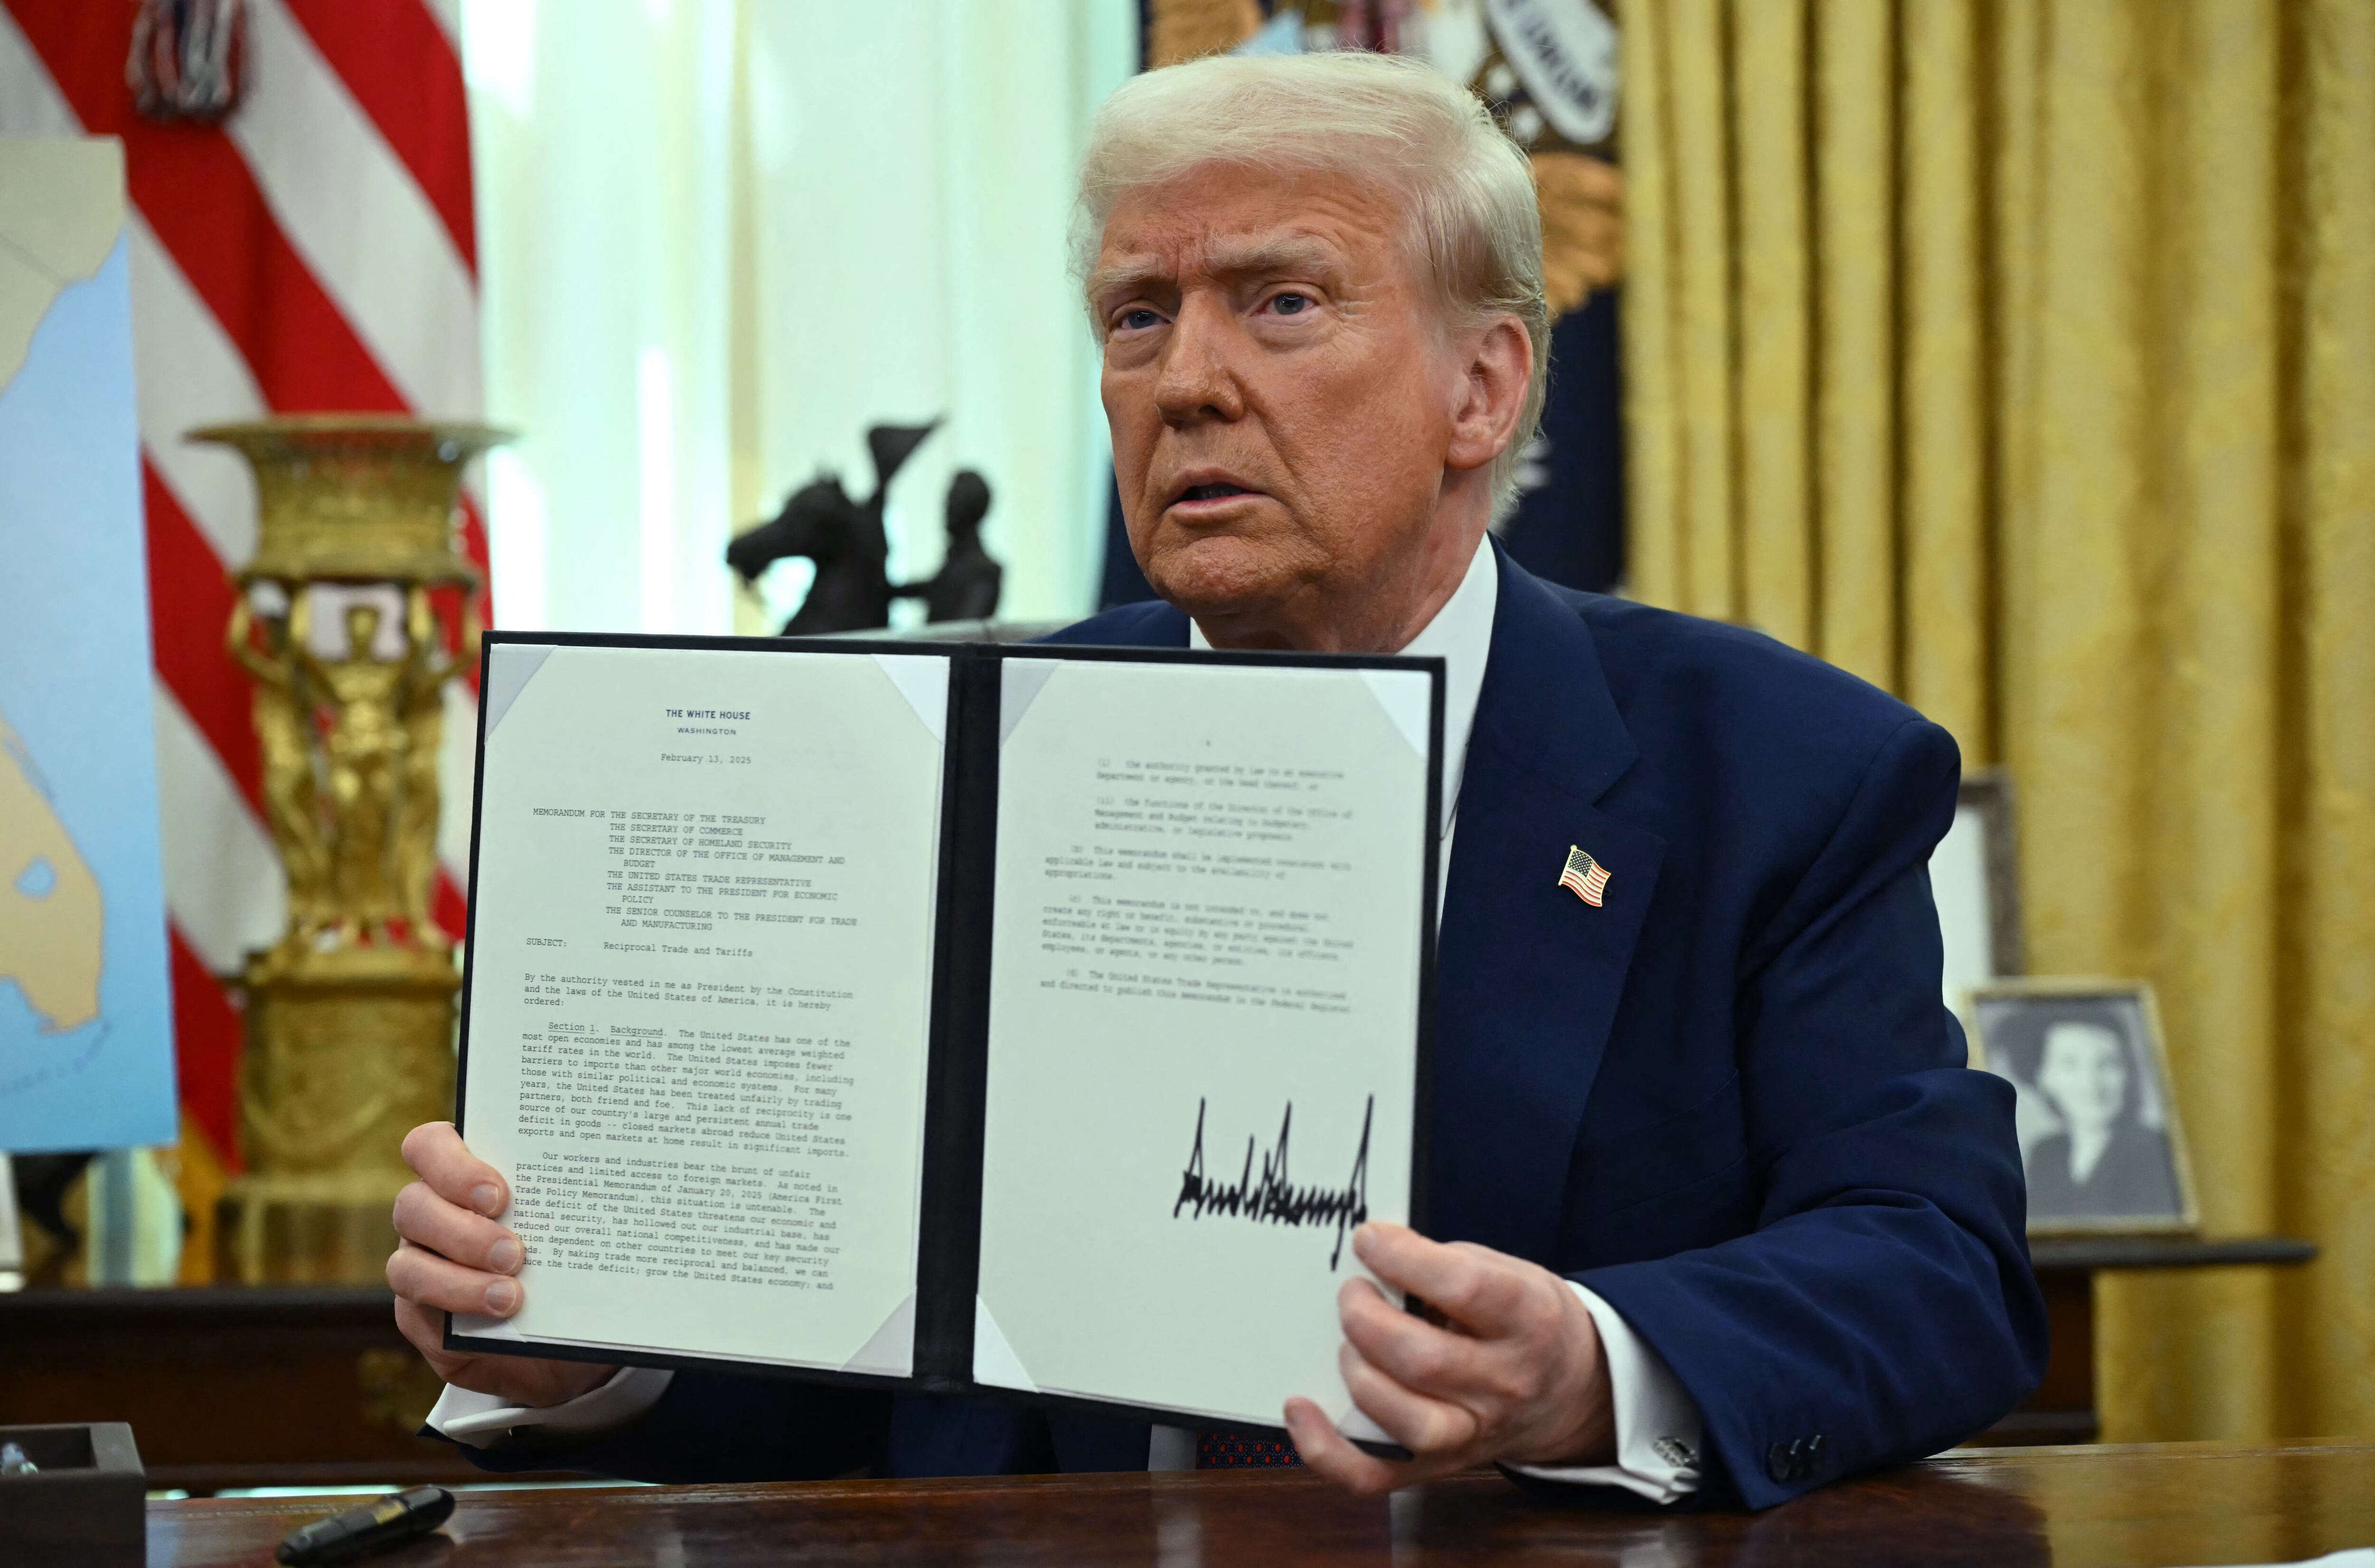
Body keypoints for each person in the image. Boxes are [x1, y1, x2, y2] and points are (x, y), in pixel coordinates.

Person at [386, 50, 2044, 1509]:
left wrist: (1596, 1368)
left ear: (1485, 385)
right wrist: (586, 1341)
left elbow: (1935, 1264)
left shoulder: (1778, 773)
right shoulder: (938, 761)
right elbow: (868, 1338)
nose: (1184, 380)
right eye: (1137, 314)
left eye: (1282, 302)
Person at [2023, 1018, 2182, 1221]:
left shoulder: (2158, 1149)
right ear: (2044, 1077)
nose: (2091, 1083)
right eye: (2070, 1064)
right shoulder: (2046, 1154)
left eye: (2108, 1064)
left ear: (2128, 1073)